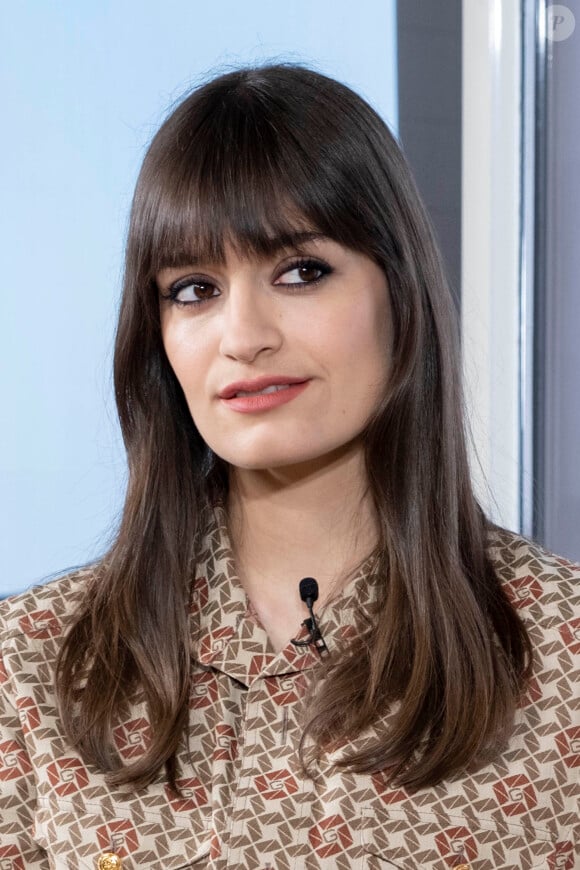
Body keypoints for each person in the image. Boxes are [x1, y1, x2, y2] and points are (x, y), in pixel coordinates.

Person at [0, 64, 578, 870]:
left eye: (301, 271)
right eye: (194, 289)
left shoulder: (563, 652)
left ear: (401, 293)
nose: (243, 334)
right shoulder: (29, 667)